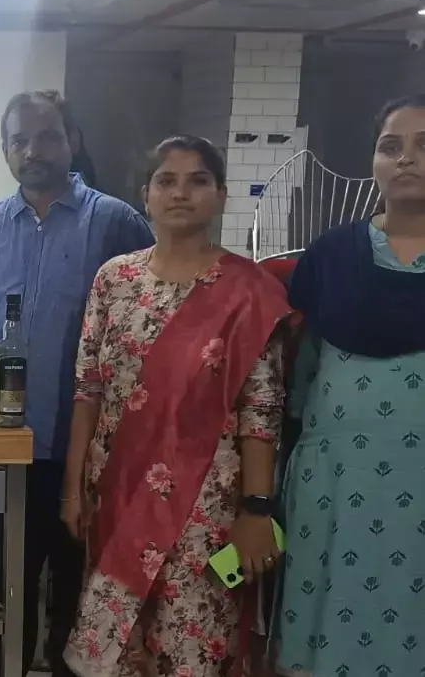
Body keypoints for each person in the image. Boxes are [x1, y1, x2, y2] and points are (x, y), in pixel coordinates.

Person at [61, 136, 290, 676]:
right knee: (118, 649)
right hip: (117, 494)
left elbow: (261, 410)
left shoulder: (249, 292)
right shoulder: (114, 281)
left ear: (221, 195)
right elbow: (88, 389)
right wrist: (73, 487)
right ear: (146, 195)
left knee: (190, 652)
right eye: (166, 180)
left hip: (204, 507)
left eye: (198, 181)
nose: (180, 193)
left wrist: (256, 510)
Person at [0, 89, 153, 677]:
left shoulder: (116, 223)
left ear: (72, 142)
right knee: (7, 593)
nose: (32, 151)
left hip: (88, 455)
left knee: (81, 598)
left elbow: (150, 327)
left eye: (46, 137)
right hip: (7, 451)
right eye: (19, 140)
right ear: (4, 150)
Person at [275, 95, 425, 677]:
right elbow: (299, 375)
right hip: (335, 481)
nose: (406, 158)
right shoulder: (332, 255)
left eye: (423, 146)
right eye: (391, 146)